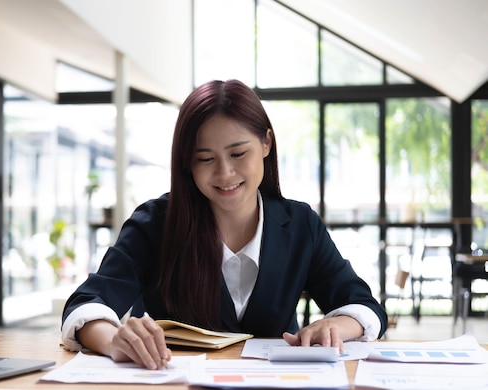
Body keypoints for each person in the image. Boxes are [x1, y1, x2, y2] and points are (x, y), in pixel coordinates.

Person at [61, 79, 388, 370]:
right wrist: (113, 339)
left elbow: (362, 307)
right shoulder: (154, 224)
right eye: (205, 158)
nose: (224, 173)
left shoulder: (300, 225)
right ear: (187, 162)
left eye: (238, 153)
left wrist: (337, 327)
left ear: (266, 144)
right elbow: (87, 306)